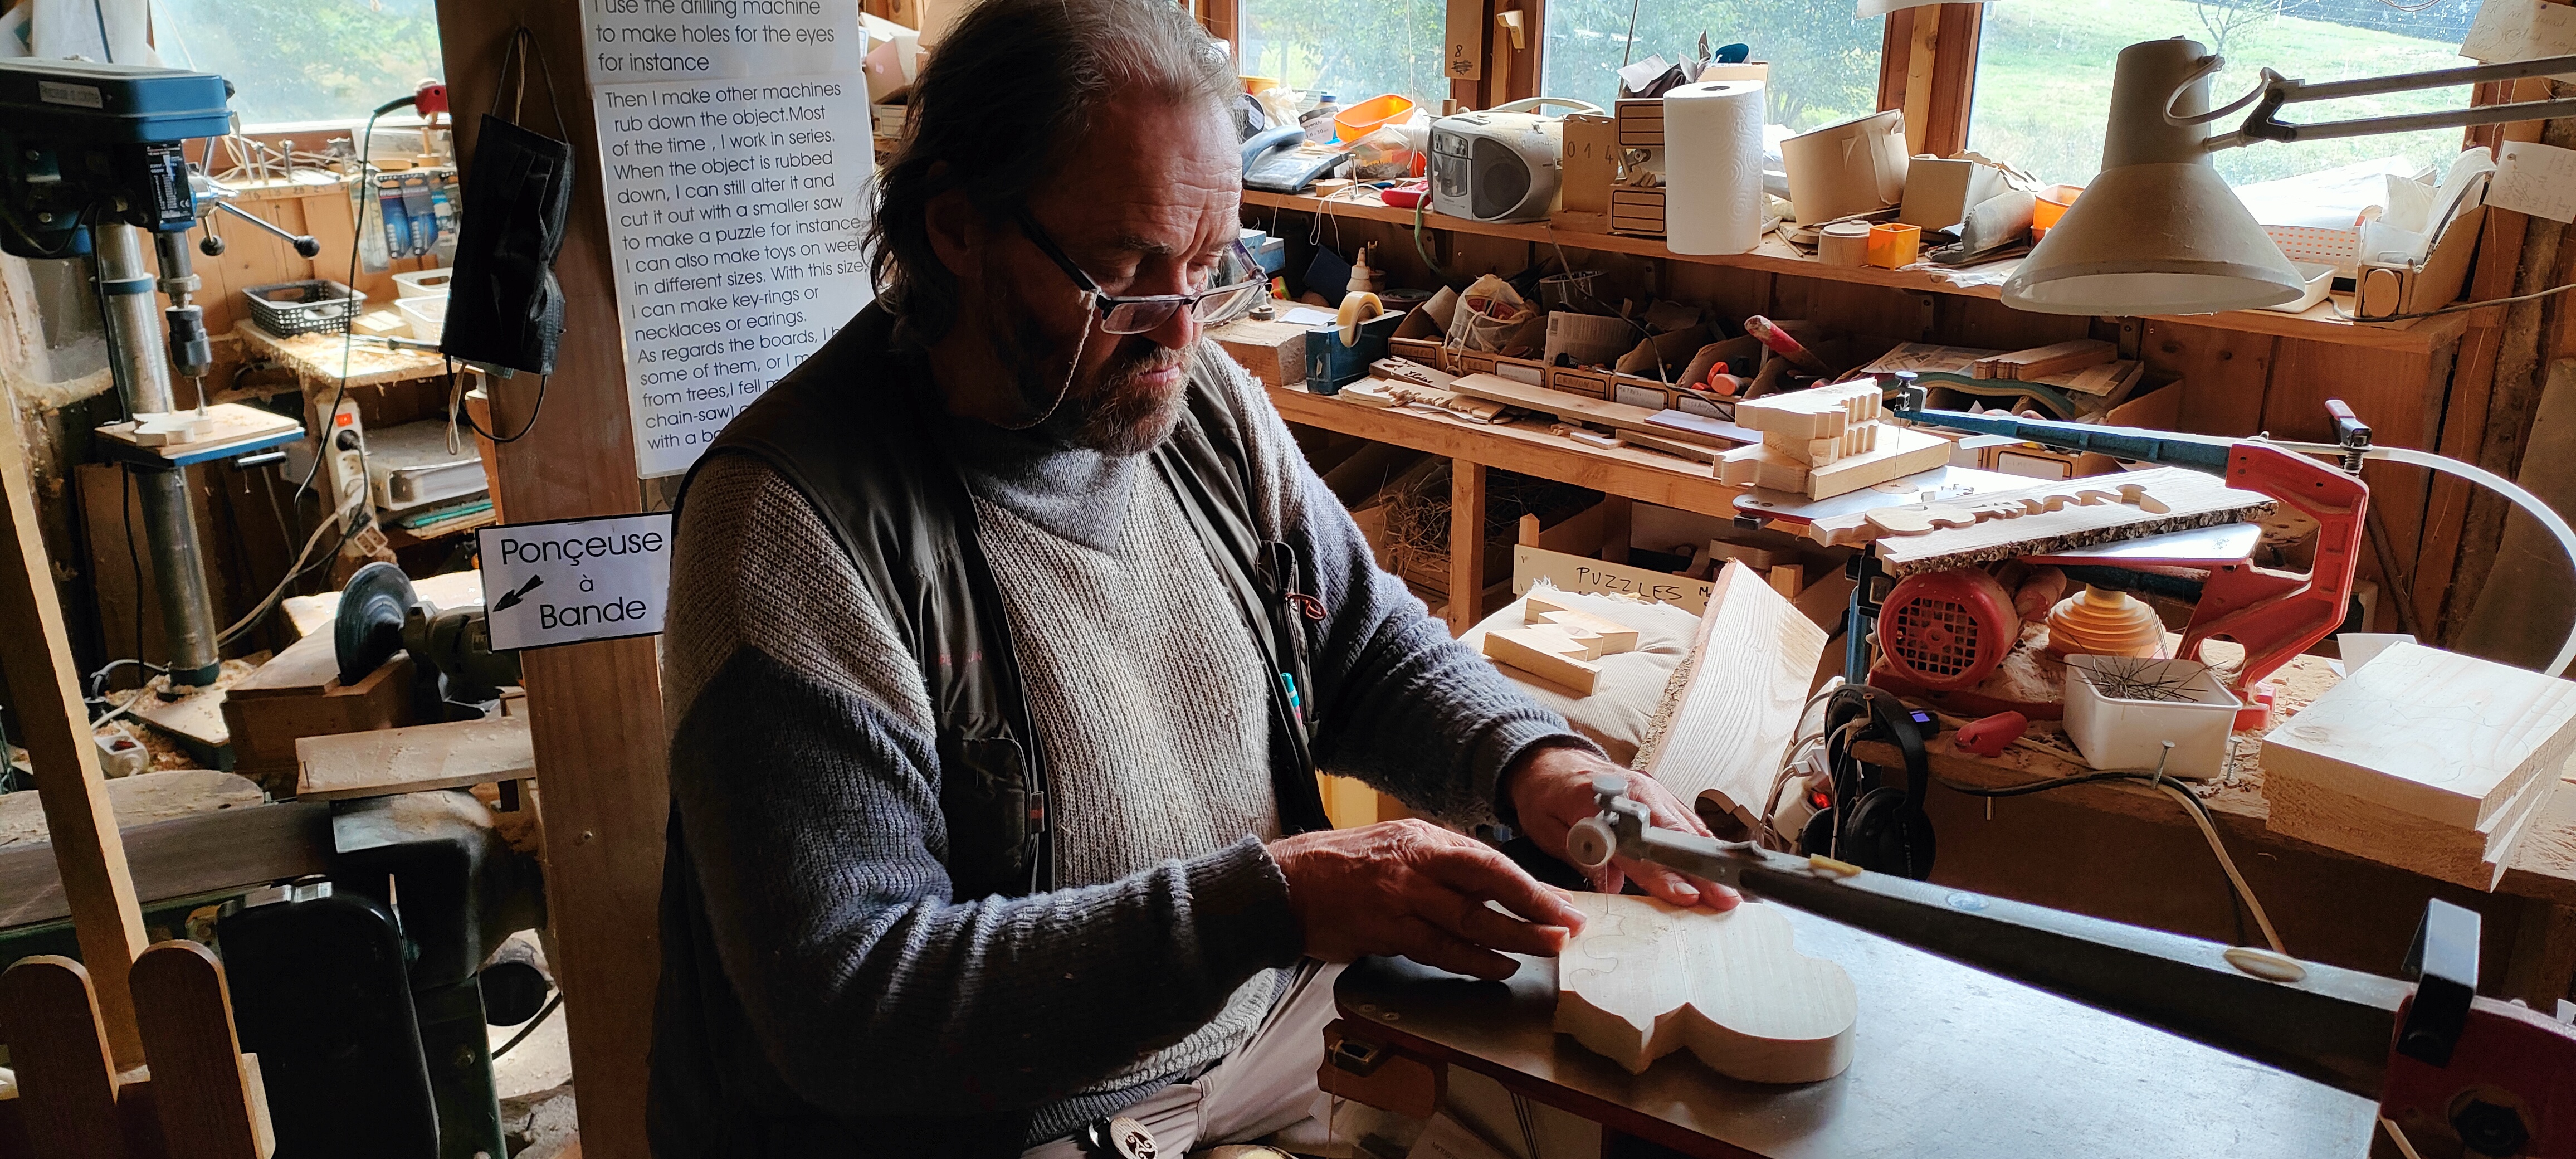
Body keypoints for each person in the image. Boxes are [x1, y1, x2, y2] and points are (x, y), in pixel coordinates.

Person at [647, 0, 1728, 1153]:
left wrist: (1533, 762)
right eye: (1126, 271)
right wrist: (1273, 903)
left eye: (1208, 269)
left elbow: (1362, 647)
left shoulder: (1194, 400)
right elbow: (854, 1002)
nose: (1179, 333)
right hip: (1001, 1123)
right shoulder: (790, 525)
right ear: (956, 227)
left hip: (1268, 1024)